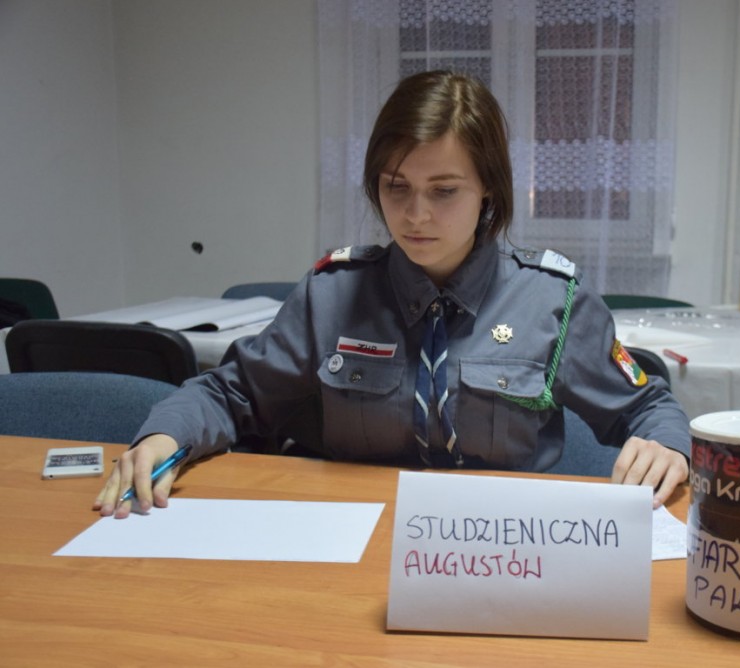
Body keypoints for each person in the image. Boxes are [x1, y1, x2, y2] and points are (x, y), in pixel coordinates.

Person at [94, 70, 690, 519]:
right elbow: (231, 394)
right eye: (396, 187)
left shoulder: (552, 304)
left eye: (444, 190)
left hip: (504, 550)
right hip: (356, 539)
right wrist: (164, 435)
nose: (415, 214)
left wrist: (668, 447)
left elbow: (648, 408)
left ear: (488, 189)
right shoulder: (333, 295)